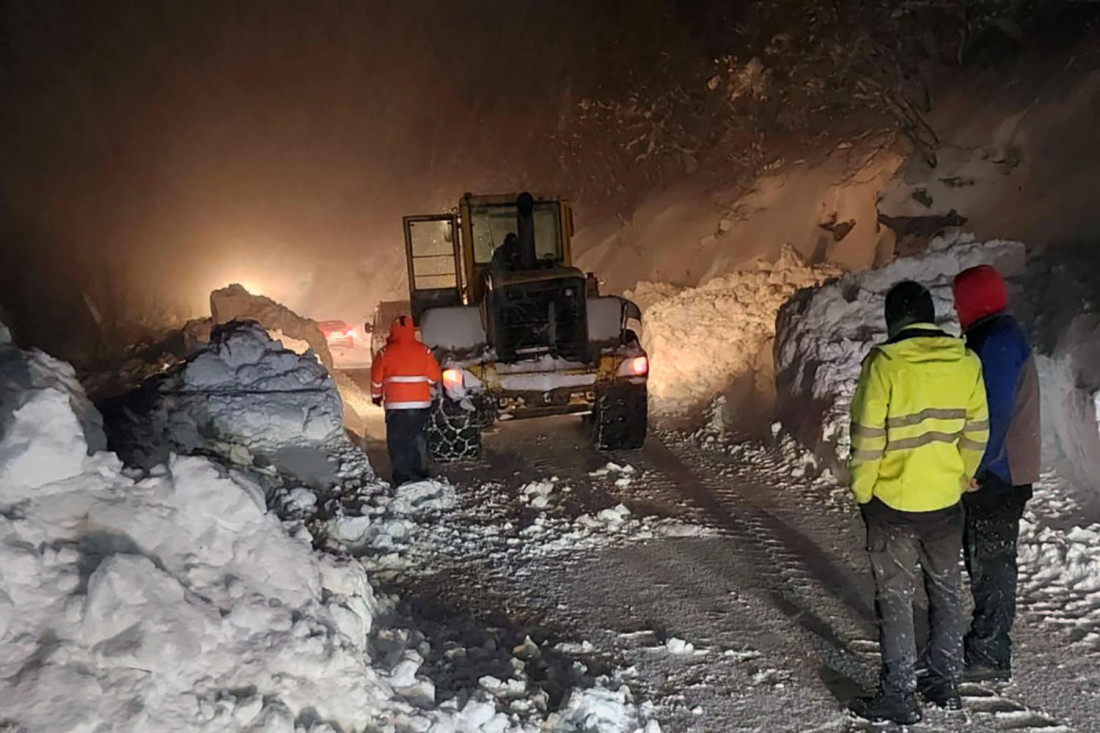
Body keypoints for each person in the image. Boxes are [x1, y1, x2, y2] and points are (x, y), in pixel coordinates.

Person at [848, 280, 990, 724]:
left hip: (893, 502)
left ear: (893, 321)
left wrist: (862, 489)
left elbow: (868, 438)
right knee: (946, 592)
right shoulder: (965, 361)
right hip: (946, 502)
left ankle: (899, 695)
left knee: (895, 598)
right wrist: (962, 473)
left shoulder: (885, 364)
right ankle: (945, 683)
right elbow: (977, 429)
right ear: (930, 316)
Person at [952, 265, 1041, 682]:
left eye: (959, 302)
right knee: (986, 557)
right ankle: (987, 642)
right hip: (1003, 467)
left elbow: (994, 411)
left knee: (991, 560)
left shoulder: (997, 341)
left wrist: (976, 465)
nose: (956, 310)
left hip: (999, 471)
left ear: (974, 301)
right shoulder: (995, 334)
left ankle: (989, 651)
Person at [370, 315, 442, 485]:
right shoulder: (423, 351)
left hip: (395, 406)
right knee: (418, 439)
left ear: (393, 331)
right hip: (420, 405)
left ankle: (402, 476)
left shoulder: (384, 352)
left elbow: (376, 379)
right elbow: (434, 377)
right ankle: (420, 474)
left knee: (398, 441)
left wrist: (376, 396)